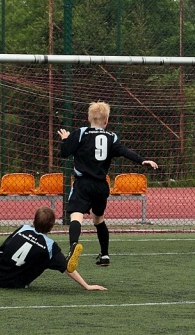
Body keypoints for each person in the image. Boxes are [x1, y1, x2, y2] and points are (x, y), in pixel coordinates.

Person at [58, 101, 158, 269]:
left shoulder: (81, 133)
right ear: (106, 121)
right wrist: (142, 160)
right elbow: (124, 151)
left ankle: (74, 245)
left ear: (89, 118)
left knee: (76, 216)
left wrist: (66, 139)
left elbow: (64, 153)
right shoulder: (111, 137)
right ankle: (104, 254)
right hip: (101, 186)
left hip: (83, 183)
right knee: (98, 219)